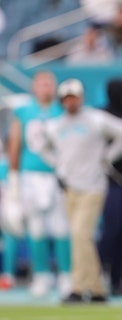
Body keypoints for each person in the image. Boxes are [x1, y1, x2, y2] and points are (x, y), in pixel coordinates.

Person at [41, 78, 122, 303]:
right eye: (66, 98)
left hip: (93, 186)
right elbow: (42, 147)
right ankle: (96, 288)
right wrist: (58, 166)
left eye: (74, 97)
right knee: (81, 237)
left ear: (80, 98)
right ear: (62, 100)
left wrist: (106, 158)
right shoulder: (55, 125)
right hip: (70, 187)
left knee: (80, 234)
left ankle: (78, 286)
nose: (70, 102)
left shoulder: (95, 119)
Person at [4, 71, 71, 297]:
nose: (46, 88)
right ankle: (41, 275)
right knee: (36, 227)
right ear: (34, 87)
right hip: (30, 175)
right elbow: (15, 144)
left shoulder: (61, 110)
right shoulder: (23, 111)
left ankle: (65, 275)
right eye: (42, 84)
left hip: (56, 175)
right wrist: (14, 177)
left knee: (62, 227)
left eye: (49, 84)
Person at [97, 78, 122, 296]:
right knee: (110, 232)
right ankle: (96, 278)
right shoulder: (101, 118)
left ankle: (117, 280)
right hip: (107, 183)